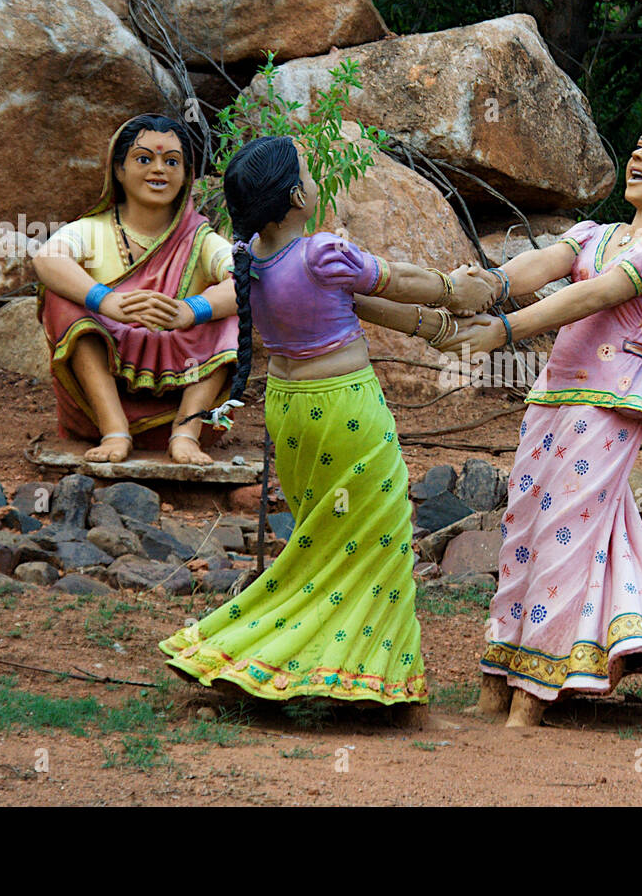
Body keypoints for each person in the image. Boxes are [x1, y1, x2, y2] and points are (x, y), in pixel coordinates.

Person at [436, 121, 642, 727]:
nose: (639, 153)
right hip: (552, 396)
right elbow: (537, 266)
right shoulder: (594, 233)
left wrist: (505, 328)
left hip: (608, 403)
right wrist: (485, 286)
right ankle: (497, 675)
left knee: (565, 534)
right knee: (524, 527)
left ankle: (531, 695)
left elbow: (596, 296)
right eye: (638, 144)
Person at [158, 135, 496, 713]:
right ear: (295, 196)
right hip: (343, 409)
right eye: (309, 175)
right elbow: (395, 281)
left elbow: (362, 305)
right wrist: (455, 291)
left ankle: (302, 663)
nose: (316, 183)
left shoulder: (253, 262)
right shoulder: (320, 252)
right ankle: (354, 676)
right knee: (379, 534)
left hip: (290, 412)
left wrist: (436, 326)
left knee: (321, 541)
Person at [34, 114, 239, 465]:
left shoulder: (200, 239)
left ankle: (186, 433)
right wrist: (107, 301)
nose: (159, 170)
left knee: (232, 312)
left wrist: (191, 310)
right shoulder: (92, 230)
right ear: (118, 169)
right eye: (144, 159)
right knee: (59, 298)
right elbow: (47, 259)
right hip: (105, 377)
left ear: (187, 174)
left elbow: (249, 279)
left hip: (181, 371)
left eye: (171, 161)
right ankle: (115, 429)